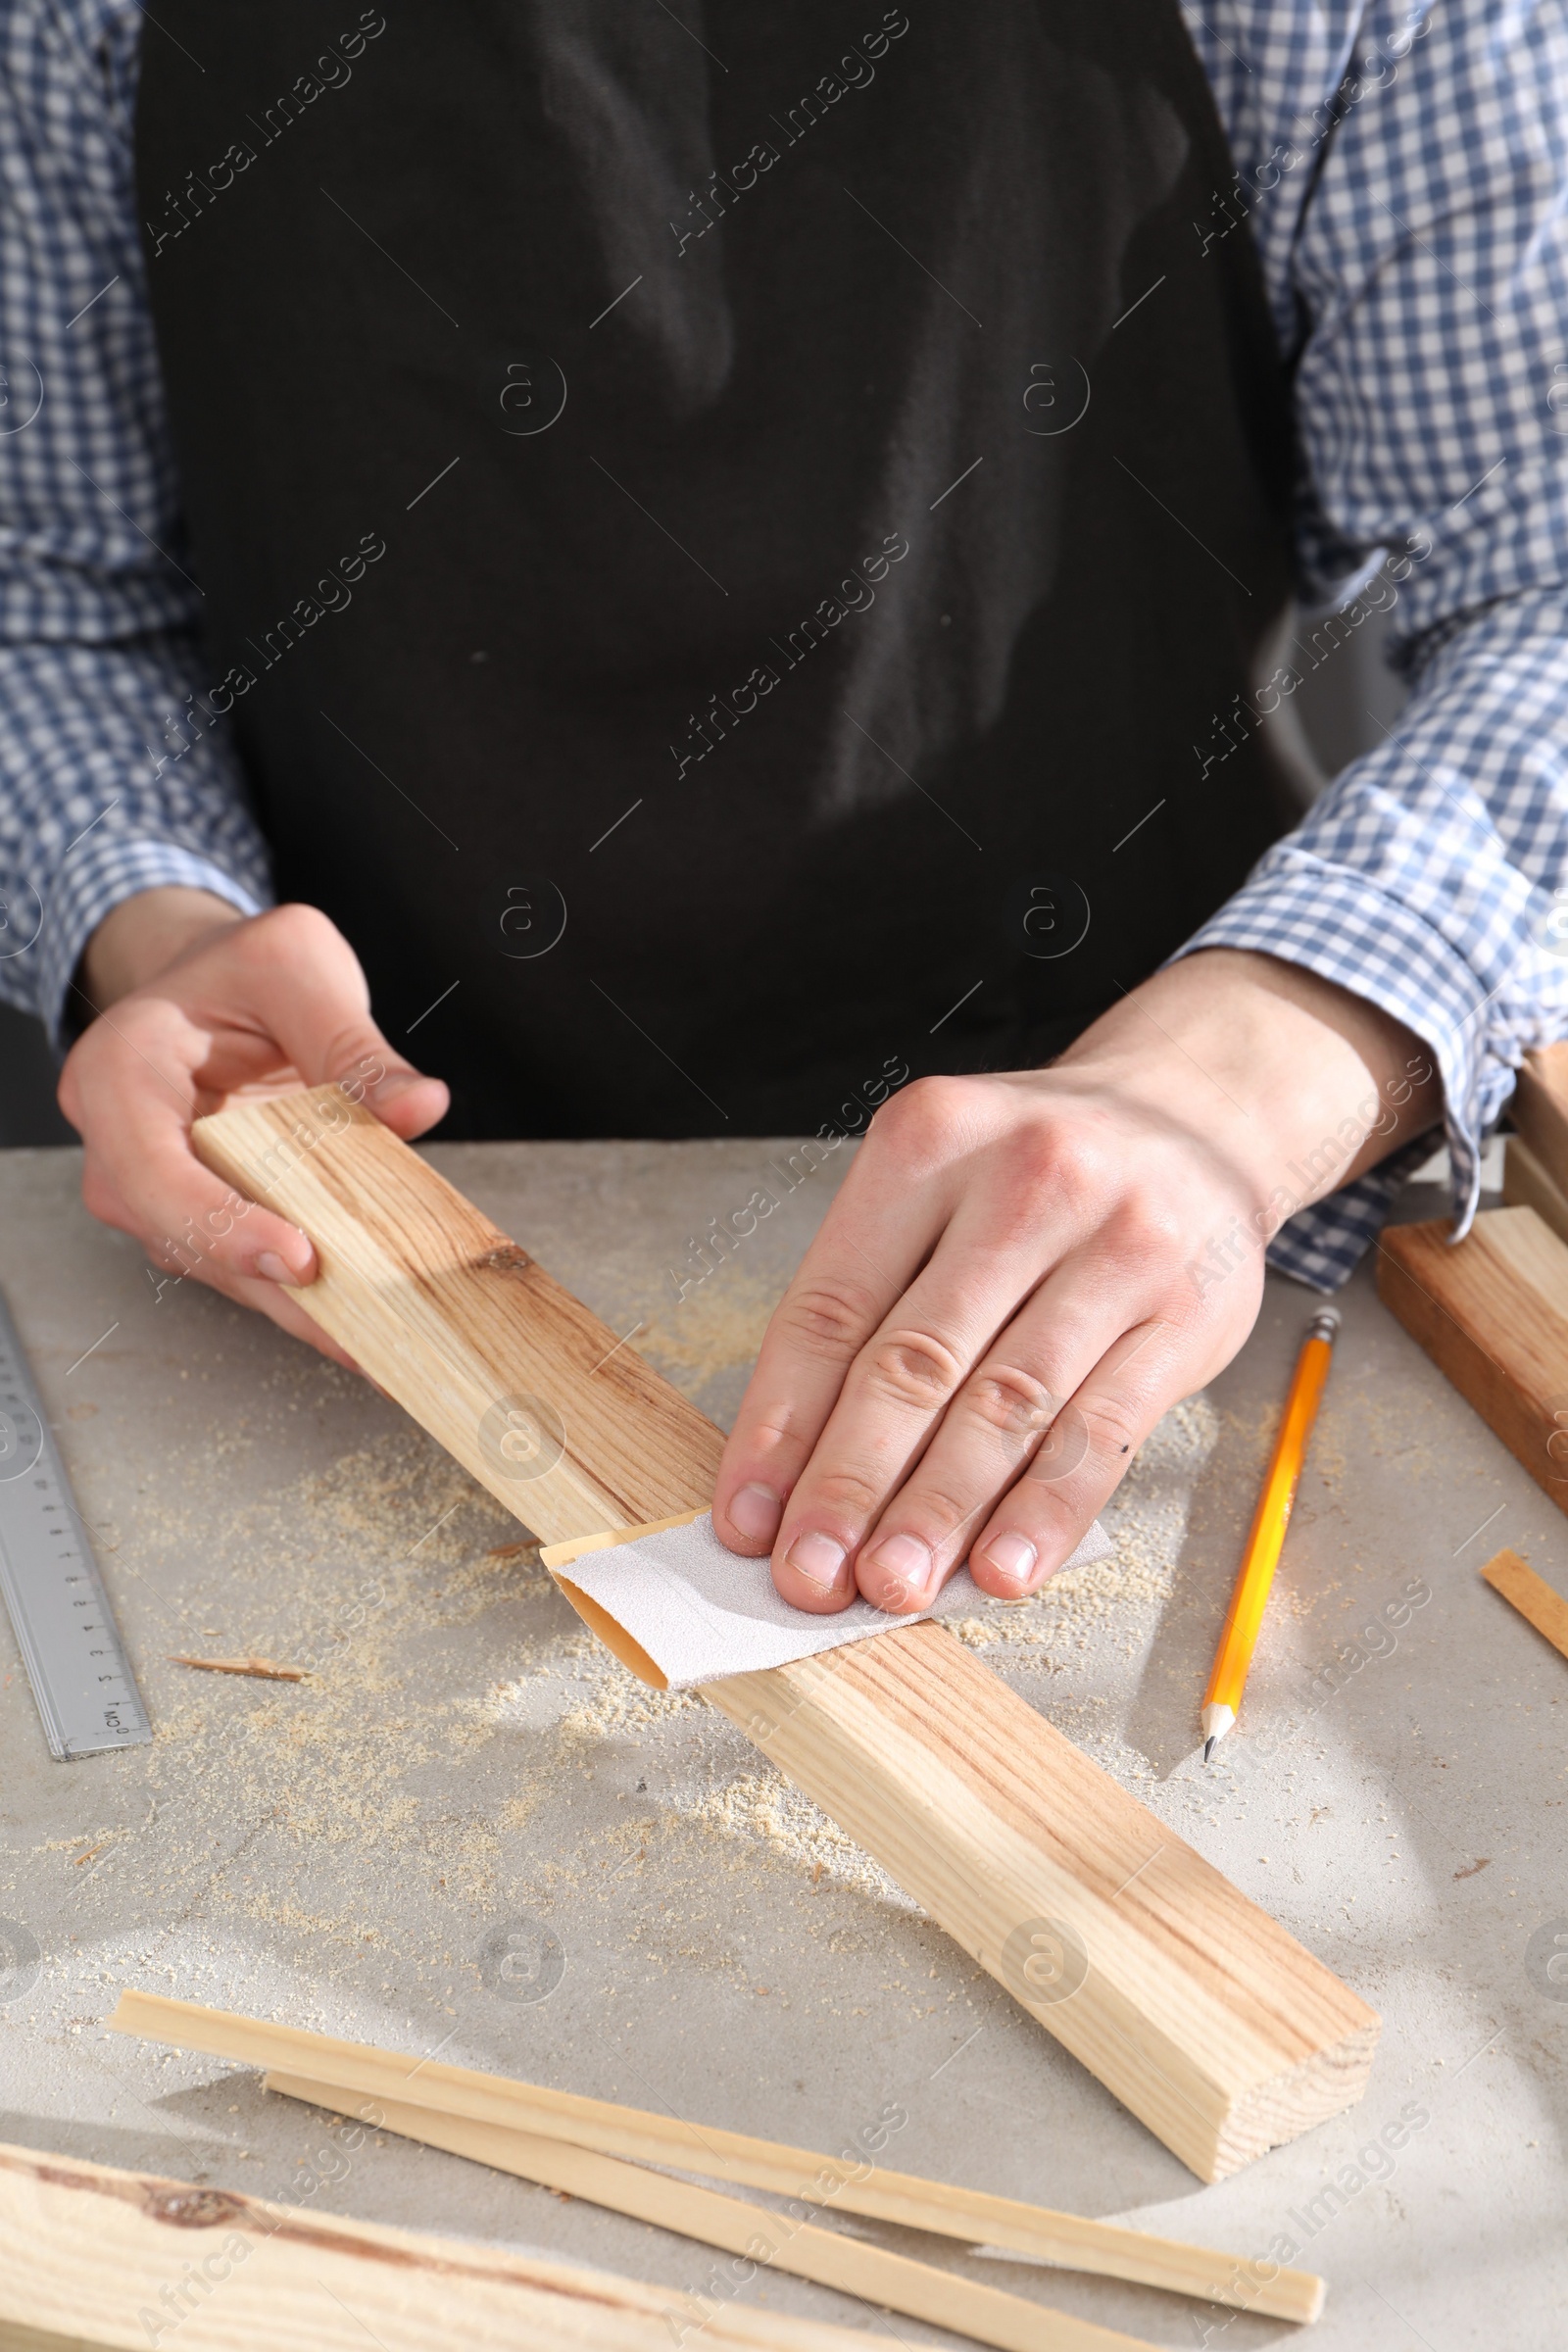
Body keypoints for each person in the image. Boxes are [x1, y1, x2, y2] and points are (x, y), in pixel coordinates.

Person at [2, 3, 1563, 1622]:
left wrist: (1231, 1089)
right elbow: (46, 596)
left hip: (1145, 1195)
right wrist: (154, 922)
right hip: (364, 1197)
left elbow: (1549, 574)